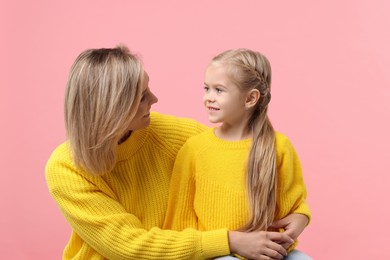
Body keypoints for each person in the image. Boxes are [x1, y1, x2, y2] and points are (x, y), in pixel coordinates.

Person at [45, 45, 296, 260]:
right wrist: (230, 241)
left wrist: (297, 214)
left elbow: (249, 157)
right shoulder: (66, 167)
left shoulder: (174, 134)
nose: (154, 99)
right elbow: (129, 247)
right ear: (113, 109)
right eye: (142, 96)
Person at [164, 48, 312, 259]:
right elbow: (179, 221)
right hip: (217, 254)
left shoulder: (279, 146)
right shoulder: (194, 149)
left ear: (250, 98)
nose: (208, 98)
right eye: (206, 88)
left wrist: (300, 218)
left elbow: (294, 206)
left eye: (219, 90)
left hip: (267, 253)